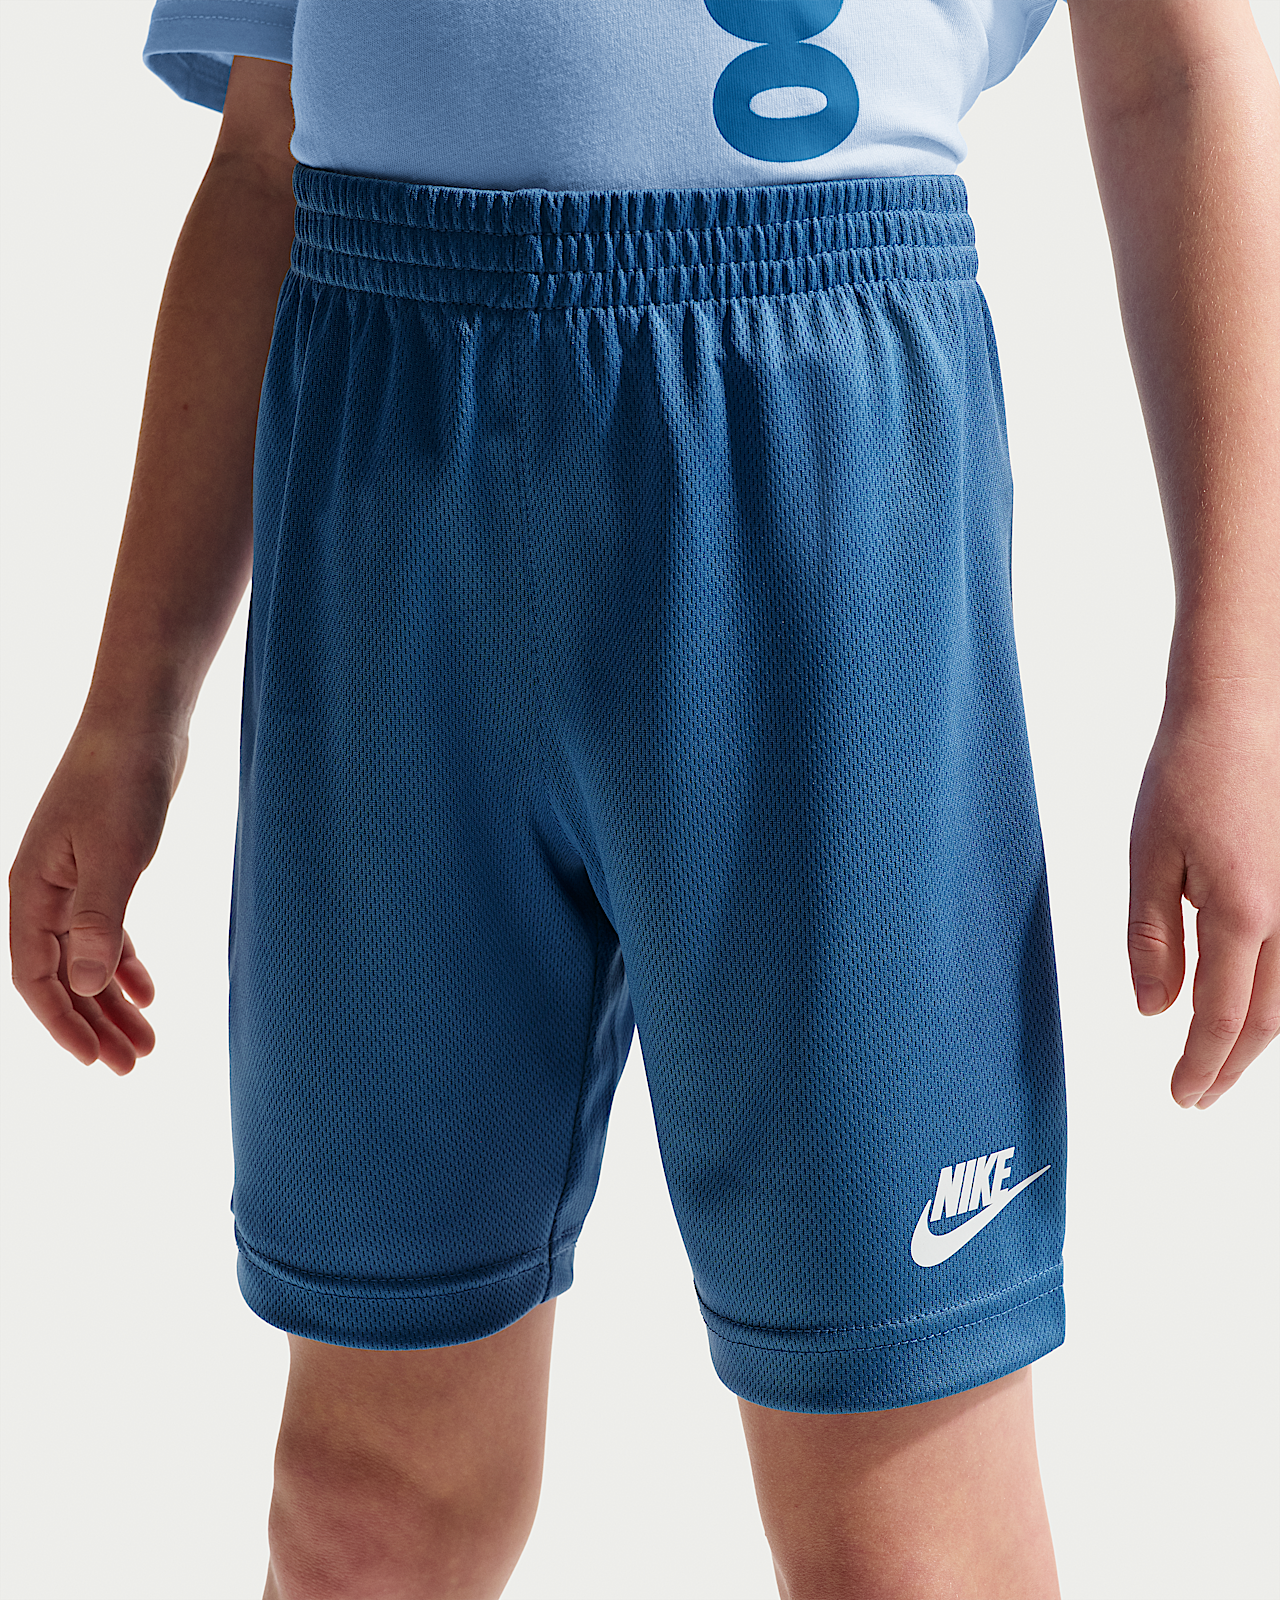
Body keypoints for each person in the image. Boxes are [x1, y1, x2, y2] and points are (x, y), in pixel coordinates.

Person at [8, 0, 1277, 1595]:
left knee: (906, 1536)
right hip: (387, 471)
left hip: (807, 472)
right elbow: (264, 153)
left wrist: (1240, 679)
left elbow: (1175, 65)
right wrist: (130, 714)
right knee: (360, 1513)